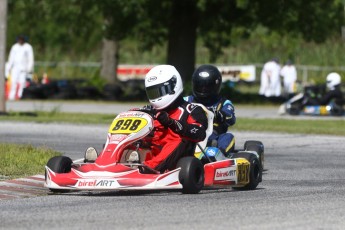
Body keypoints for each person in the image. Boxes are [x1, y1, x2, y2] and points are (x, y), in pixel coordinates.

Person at [142, 65, 208, 173]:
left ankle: (150, 168)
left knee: (179, 139)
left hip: (177, 158)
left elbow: (200, 133)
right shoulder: (150, 111)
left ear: (173, 86)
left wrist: (171, 122)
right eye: (153, 93)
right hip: (153, 151)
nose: (156, 96)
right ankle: (115, 164)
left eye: (160, 91)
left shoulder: (192, 110)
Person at [184, 64, 236, 157]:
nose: (203, 90)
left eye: (207, 87)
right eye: (200, 86)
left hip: (213, 137)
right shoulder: (186, 100)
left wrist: (221, 115)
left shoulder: (223, 103)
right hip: (188, 133)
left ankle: (218, 155)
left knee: (228, 137)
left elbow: (231, 117)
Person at [7, 35, 34, 100]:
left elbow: (30, 58)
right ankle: (11, 96)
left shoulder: (28, 47)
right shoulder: (15, 47)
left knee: (22, 82)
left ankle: (20, 95)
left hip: (23, 68)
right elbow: (11, 58)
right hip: (15, 67)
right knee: (13, 82)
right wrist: (8, 67)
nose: (20, 41)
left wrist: (29, 68)